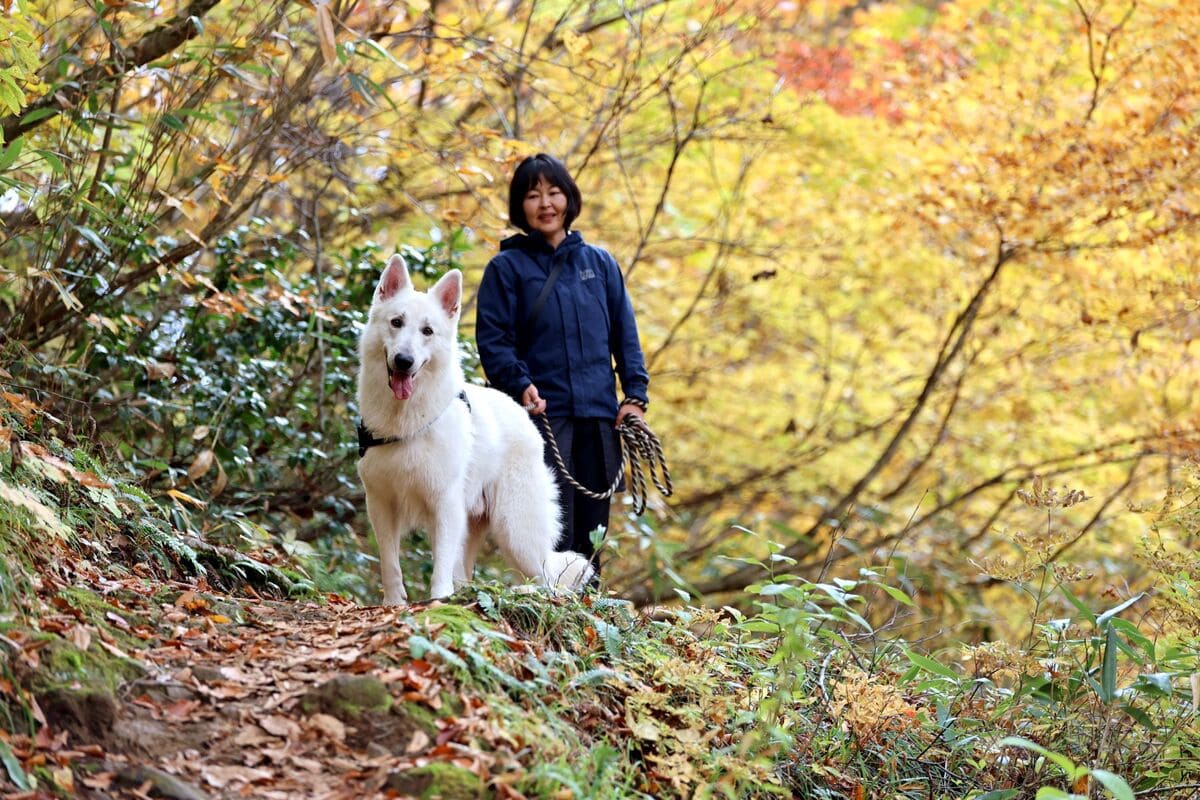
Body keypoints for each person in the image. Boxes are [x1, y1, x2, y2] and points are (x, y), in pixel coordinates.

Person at [475, 153, 649, 581]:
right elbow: (494, 342)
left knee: (594, 530)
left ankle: (587, 617)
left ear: (569, 198)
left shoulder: (601, 264)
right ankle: (551, 612)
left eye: (554, 192)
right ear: (521, 206)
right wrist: (520, 384)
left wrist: (635, 397)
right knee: (551, 525)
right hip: (541, 417)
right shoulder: (505, 269)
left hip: (599, 417)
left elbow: (625, 336)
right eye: (534, 195)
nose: (546, 203)